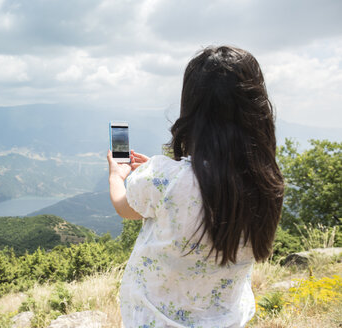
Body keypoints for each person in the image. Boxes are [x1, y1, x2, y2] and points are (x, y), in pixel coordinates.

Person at [107, 45, 284, 328]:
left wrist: (117, 176)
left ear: (192, 107)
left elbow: (124, 208)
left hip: (155, 320)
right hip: (225, 320)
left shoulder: (163, 177)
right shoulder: (267, 182)